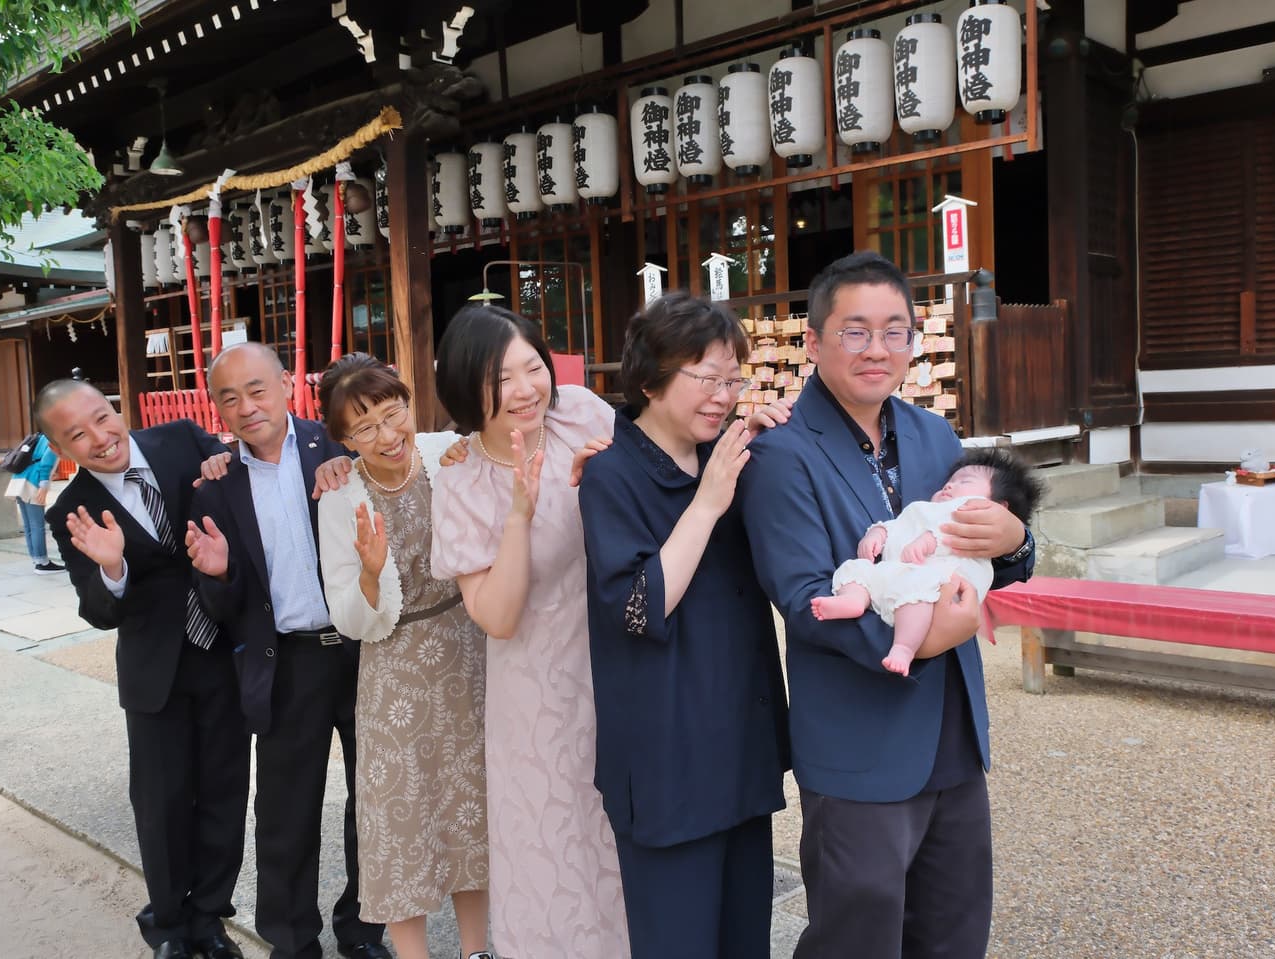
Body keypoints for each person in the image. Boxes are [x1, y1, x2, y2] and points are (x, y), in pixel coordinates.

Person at [737, 251, 1036, 959]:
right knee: (858, 935)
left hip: (953, 734)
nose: (879, 349)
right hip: (857, 741)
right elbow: (806, 599)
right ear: (813, 342)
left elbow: (976, 544)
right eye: (856, 331)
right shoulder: (782, 452)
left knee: (955, 927)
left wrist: (1017, 538)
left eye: (896, 331)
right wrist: (924, 642)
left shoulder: (933, 434)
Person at [577, 292, 789, 958]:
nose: (723, 395)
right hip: (669, 768)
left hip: (742, 753)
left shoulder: (730, 457)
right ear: (650, 379)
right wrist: (707, 501)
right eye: (706, 377)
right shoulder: (612, 473)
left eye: (733, 379)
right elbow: (636, 608)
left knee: (745, 943)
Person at [427, 304, 631, 959]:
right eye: (500, 378)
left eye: (531, 367)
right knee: (555, 854)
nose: (525, 390)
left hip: (623, 669)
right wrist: (518, 513)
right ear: (466, 389)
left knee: (626, 849)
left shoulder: (582, 412)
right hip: (538, 701)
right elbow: (498, 616)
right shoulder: (460, 478)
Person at [183, 343, 392, 959]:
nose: (247, 407)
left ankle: (364, 928)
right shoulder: (214, 488)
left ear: (284, 386)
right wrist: (218, 577)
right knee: (284, 814)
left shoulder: (338, 450)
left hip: (363, 650)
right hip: (287, 662)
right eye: (229, 398)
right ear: (217, 408)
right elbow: (222, 612)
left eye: (257, 389)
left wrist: (351, 463)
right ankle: (292, 939)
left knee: (374, 799)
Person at [37, 379, 249, 959]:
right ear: (61, 446)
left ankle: (210, 918)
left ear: (116, 409)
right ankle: (171, 928)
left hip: (222, 650)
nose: (101, 438)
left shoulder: (183, 441)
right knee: (160, 803)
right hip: (155, 673)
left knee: (225, 793)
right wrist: (111, 569)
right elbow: (98, 611)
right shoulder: (70, 511)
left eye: (103, 418)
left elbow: (243, 471)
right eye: (77, 434)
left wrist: (229, 457)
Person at [311, 352, 491, 959]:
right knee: (399, 820)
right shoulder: (339, 496)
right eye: (364, 429)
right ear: (340, 439)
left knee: (473, 808)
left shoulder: (446, 451)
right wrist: (370, 573)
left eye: (394, 415)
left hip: (468, 653)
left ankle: (476, 950)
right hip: (392, 668)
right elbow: (349, 617)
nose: (387, 436)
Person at [812, 448, 1042, 676]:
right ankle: (853, 599)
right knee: (856, 569)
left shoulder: (965, 515)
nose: (949, 485)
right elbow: (899, 526)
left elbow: (954, 537)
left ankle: (904, 647)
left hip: (935, 589)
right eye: (949, 481)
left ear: (1000, 508)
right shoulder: (922, 510)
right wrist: (878, 533)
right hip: (894, 579)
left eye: (964, 481)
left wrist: (1017, 538)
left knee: (920, 589)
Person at [5, 430, 65, 573]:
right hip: (33, 481)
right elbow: (46, 461)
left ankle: (36, 558)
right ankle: (42, 563)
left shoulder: (39, 437)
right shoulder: (54, 438)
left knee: (29, 525)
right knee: (37, 525)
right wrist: (44, 486)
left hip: (18, 480)